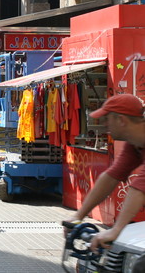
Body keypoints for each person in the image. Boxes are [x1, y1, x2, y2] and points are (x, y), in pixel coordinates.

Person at [63, 94, 145, 251]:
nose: (104, 124)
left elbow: (139, 188)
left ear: (121, 120)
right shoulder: (134, 143)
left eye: (107, 119)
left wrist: (115, 230)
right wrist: (78, 216)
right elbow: (110, 177)